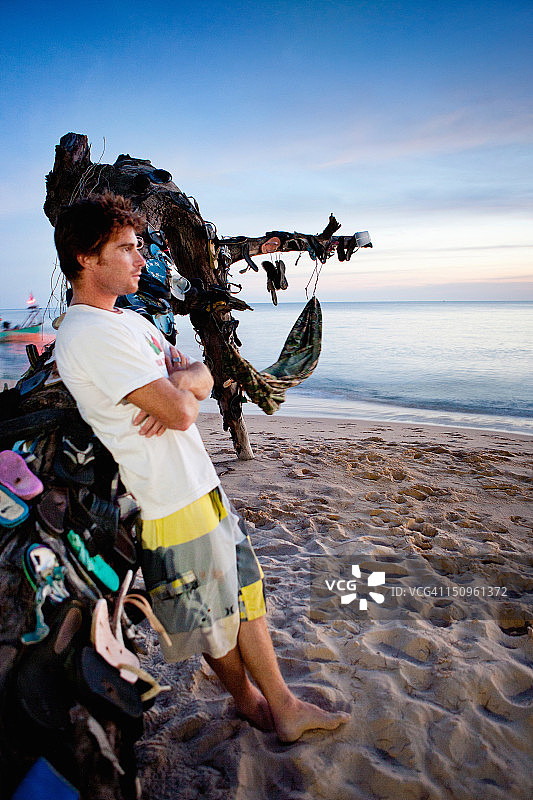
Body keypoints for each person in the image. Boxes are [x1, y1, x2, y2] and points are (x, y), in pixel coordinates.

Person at [54, 192, 349, 743]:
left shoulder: (129, 322)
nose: (141, 259)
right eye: (126, 248)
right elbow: (183, 412)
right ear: (85, 258)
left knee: (246, 595)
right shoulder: (88, 333)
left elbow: (202, 378)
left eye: (139, 246)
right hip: (167, 500)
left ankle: (280, 704)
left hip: (200, 483)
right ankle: (252, 703)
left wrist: (182, 383)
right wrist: (180, 393)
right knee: (211, 620)